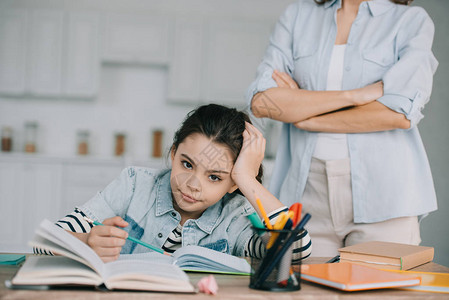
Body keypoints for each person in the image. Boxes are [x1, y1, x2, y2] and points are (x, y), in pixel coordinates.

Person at [247, 0, 438, 256]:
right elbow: (262, 102)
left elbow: (398, 113)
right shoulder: (298, 16)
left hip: (385, 197)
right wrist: (354, 96)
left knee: (380, 295)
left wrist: (306, 117)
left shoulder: (411, 20)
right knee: (303, 294)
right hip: (305, 197)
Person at [35, 104, 311, 262]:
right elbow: (43, 242)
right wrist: (86, 241)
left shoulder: (236, 216)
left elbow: (296, 250)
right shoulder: (134, 185)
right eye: (187, 164)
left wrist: (247, 180)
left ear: (232, 184)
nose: (192, 184)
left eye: (214, 177)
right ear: (173, 153)